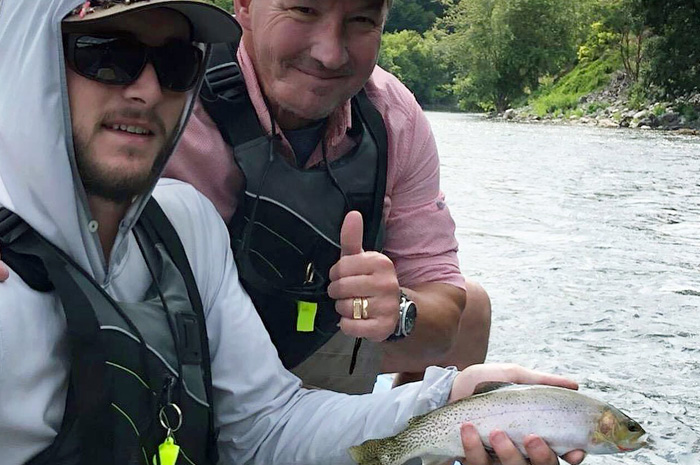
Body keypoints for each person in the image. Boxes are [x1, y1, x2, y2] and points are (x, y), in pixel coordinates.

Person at [0, 1, 585, 464]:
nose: (148, 90)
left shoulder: (185, 224)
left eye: (178, 63)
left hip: (268, 358)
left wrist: (448, 402)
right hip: (214, 346)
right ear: (245, 10)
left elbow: (265, 428)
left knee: (471, 308)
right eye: (107, 54)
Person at [163, 0, 492, 393]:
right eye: (304, 10)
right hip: (179, 341)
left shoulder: (394, 117)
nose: (330, 55)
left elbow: (443, 304)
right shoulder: (162, 89)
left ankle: (404, 445)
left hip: (307, 335)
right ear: (244, 6)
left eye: (361, 21)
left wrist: (396, 309)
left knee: (472, 310)